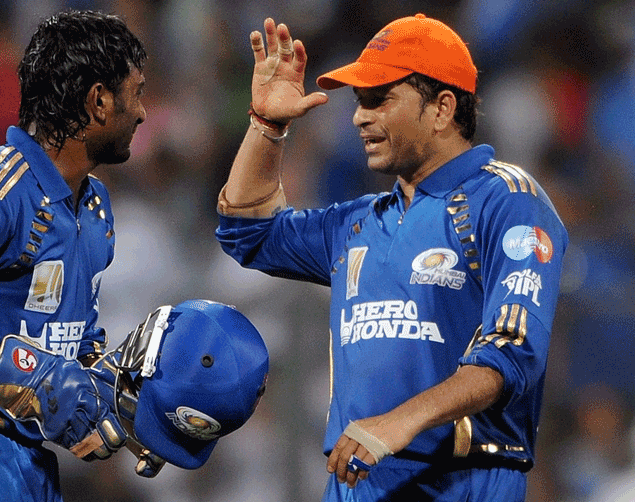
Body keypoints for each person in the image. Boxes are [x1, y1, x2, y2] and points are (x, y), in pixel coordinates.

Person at [0, 10, 268, 502]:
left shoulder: (95, 208)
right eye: (137, 93)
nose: (143, 113)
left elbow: (71, 342)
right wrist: (36, 380)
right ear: (99, 101)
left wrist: (118, 399)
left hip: (28, 463)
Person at [215, 13, 567, 502]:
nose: (360, 117)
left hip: (460, 482)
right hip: (355, 480)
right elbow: (246, 231)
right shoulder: (359, 222)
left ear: (442, 108)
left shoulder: (508, 199)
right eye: (360, 102)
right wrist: (267, 125)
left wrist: (398, 424)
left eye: (379, 100)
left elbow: (511, 351)